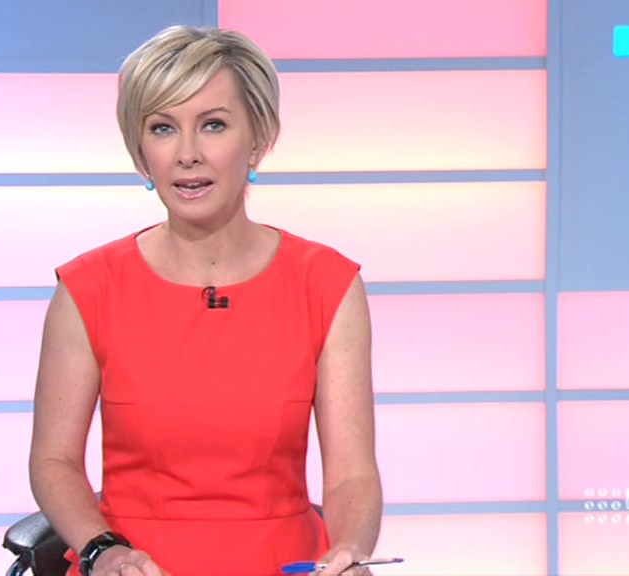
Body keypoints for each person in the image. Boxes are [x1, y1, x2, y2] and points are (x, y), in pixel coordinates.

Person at [29, 24, 382, 576]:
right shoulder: (89, 288)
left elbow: (351, 476)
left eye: (213, 125)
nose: (187, 155)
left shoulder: (326, 284)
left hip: (282, 563)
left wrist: (349, 552)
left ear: (258, 139)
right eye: (163, 128)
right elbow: (54, 462)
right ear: (141, 152)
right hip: (133, 565)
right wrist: (102, 550)